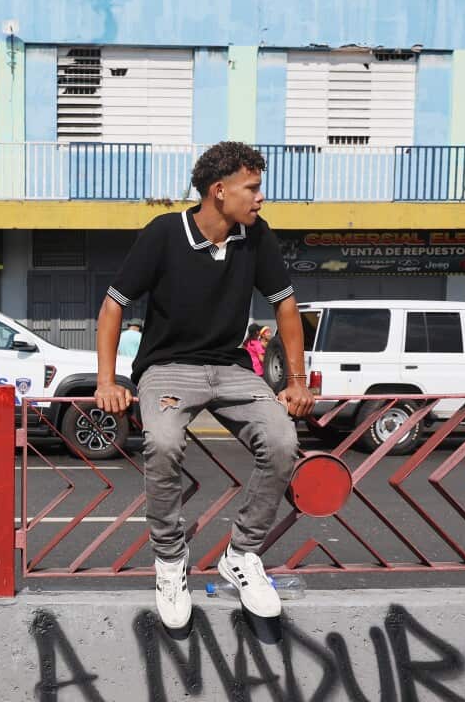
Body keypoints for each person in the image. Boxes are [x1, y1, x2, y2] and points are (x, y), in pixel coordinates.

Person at [93, 141, 314, 628]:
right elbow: (114, 304)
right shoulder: (165, 233)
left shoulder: (257, 237)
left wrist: (296, 381)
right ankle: (171, 560)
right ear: (219, 191)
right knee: (163, 441)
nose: (260, 199)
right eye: (252, 188)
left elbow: (286, 307)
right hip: (167, 367)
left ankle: (242, 554)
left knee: (281, 440)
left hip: (233, 369)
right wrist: (107, 380)